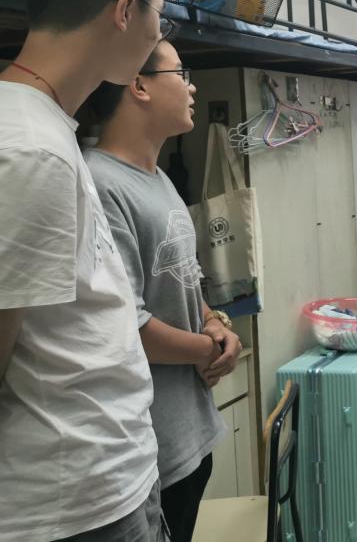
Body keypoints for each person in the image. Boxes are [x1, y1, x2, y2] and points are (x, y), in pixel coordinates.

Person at [0, 0, 167, 541]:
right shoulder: (29, 149)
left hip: (108, 476)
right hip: (75, 502)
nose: (158, 32)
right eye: (157, 13)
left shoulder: (46, 130)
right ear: (125, 11)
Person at [84, 39, 242, 542]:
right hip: (149, 445)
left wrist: (215, 322)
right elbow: (126, 325)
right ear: (139, 85)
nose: (192, 87)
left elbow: (181, 276)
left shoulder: (158, 179)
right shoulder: (99, 184)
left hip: (189, 430)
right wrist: (209, 349)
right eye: (181, 73)